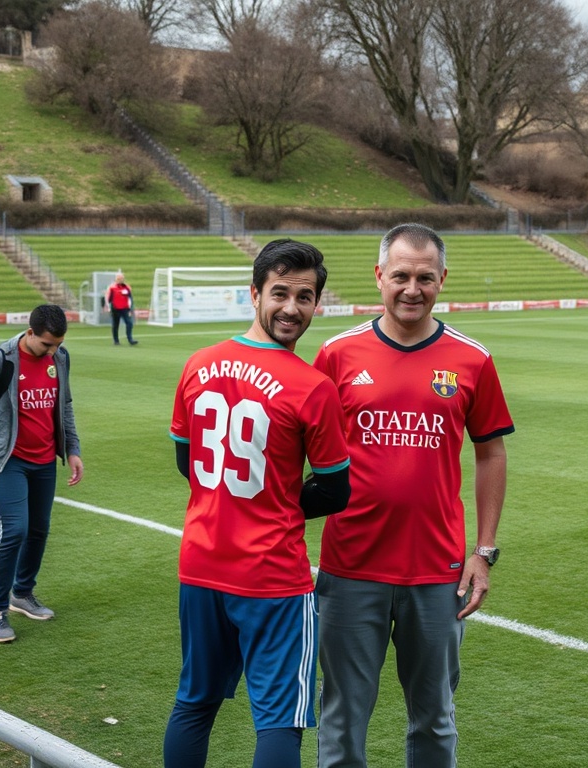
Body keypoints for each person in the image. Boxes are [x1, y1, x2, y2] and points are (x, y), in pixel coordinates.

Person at [313, 223, 514, 767]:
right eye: (401, 275)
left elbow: (491, 454)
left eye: (425, 278)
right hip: (351, 568)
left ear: (442, 280)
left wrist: (483, 552)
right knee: (342, 718)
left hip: (438, 572)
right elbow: (300, 451)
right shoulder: (336, 354)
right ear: (379, 276)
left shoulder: (472, 359)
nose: (412, 289)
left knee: (434, 718)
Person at [163, 239, 352, 768]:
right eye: (281, 293)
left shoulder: (199, 364)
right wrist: (276, 503)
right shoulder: (312, 386)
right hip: (272, 576)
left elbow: (186, 461)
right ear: (254, 293)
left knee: (195, 701)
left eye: (304, 297)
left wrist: (235, 498)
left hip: (200, 564)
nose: (292, 308)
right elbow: (336, 490)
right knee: (279, 720)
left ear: (317, 303)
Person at [0, 304, 84, 644]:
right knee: (15, 529)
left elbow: (64, 405)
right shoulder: (0, 361)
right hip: (6, 459)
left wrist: (72, 449)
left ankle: (22, 593)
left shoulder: (60, 358)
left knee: (39, 529)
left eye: (58, 344)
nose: (53, 351)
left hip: (44, 459)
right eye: (47, 344)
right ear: (30, 333)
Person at [104, 271, 138, 345]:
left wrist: (130, 308)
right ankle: (116, 340)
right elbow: (108, 298)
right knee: (115, 325)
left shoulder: (127, 287)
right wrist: (108, 307)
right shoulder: (112, 287)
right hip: (115, 309)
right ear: (116, 279)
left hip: (125, 309)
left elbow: (130, 298)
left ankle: (130, 339)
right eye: (119, 278)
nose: (120, 280)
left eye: (122, 278)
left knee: (129, 323)